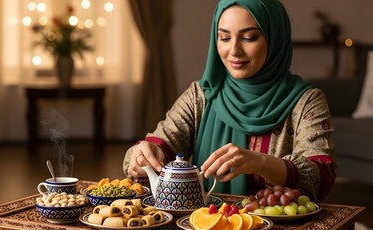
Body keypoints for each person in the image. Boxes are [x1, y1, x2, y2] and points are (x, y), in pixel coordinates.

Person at [123, 0, 336, 202]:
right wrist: (146, 155)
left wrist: (259, 162)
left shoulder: (306, 101)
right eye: (224, 38)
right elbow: (163, 140)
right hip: (207, 225)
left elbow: (320, 176)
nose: (233, 51)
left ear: (275, 39)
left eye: (249, 37)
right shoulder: (202, 95)